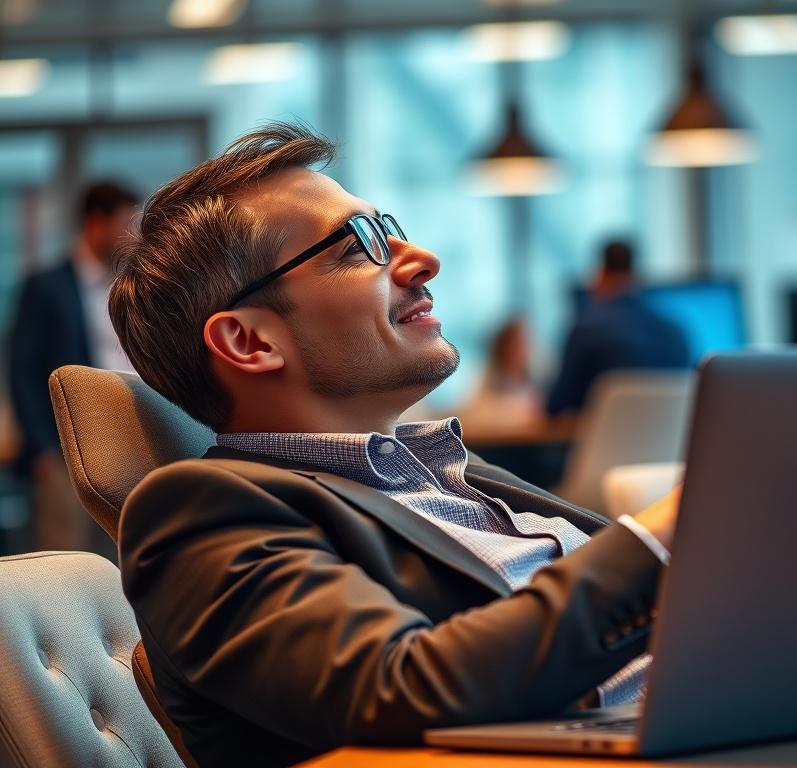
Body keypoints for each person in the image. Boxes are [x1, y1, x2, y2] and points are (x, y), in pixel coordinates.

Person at [108, 124, 679, 767]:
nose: (423, 257)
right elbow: (401, 691)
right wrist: (657, 542)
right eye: (360, 247)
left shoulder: (462, 477)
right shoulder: (196, 514)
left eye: (390, 228)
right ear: (250, 342)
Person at [7, 181, 138, 552]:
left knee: (124, 551)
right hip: (65, 446)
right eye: (125, 224)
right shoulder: (46, 286)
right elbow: (23, 371)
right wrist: (42, 448)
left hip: (126, 440)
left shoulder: (132, 286)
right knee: (67, 555)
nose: (133, 235)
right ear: (96, 223)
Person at [546, 239, 691, 416]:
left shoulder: (586, 329)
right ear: (636, 275)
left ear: (601, 274)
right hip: (667, 442)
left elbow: (556, 405)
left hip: (605, 442)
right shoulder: (677, 330)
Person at [456, 317, 543, 435]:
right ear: (503, 347)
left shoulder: (533, 377)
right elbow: (476, 416)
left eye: (525, 344)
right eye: (516, 344)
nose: (523, 350)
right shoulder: (487, 376)